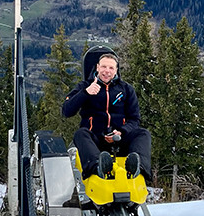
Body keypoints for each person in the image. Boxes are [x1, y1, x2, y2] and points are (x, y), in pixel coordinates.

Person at [61, 46, 152, 181]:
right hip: (95, 139)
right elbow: (66, 111)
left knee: (143, 133)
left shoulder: (126, 89)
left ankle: (138, 167)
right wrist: (85, 93)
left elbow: (134, 119)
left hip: (119, 138)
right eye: (104, 67)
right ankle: (99, 167)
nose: (106, 71)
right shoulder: (84, 86)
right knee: (80, 134)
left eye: (111, 68)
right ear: (97, 67)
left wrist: (122, 131)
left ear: (116, 70)